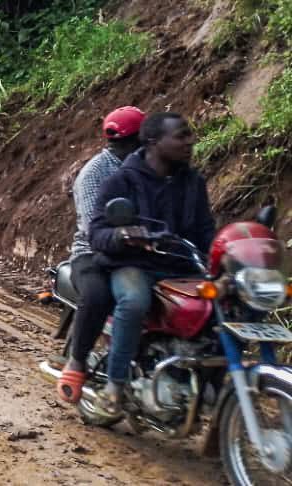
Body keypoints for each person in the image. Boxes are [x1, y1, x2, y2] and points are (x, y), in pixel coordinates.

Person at [87, 112, 216, 414]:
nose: (190, 141)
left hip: (182, 267)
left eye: (189, 135)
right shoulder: (121, 181)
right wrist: (123, 235)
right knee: (133, 302)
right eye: (181, 135)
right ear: (153, 142)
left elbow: (205, 230)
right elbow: (96, 232)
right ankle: (115, 386)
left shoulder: (193, 182)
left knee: (223, 307)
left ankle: (206, 381)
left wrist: (221, 256)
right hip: (134, 264)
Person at [56, 106, 146, 404]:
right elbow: (92, 227)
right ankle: (78, 362)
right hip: (92, 252)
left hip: (143, 252)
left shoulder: (153, 170)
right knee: (97, 295)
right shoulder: (94, 174)